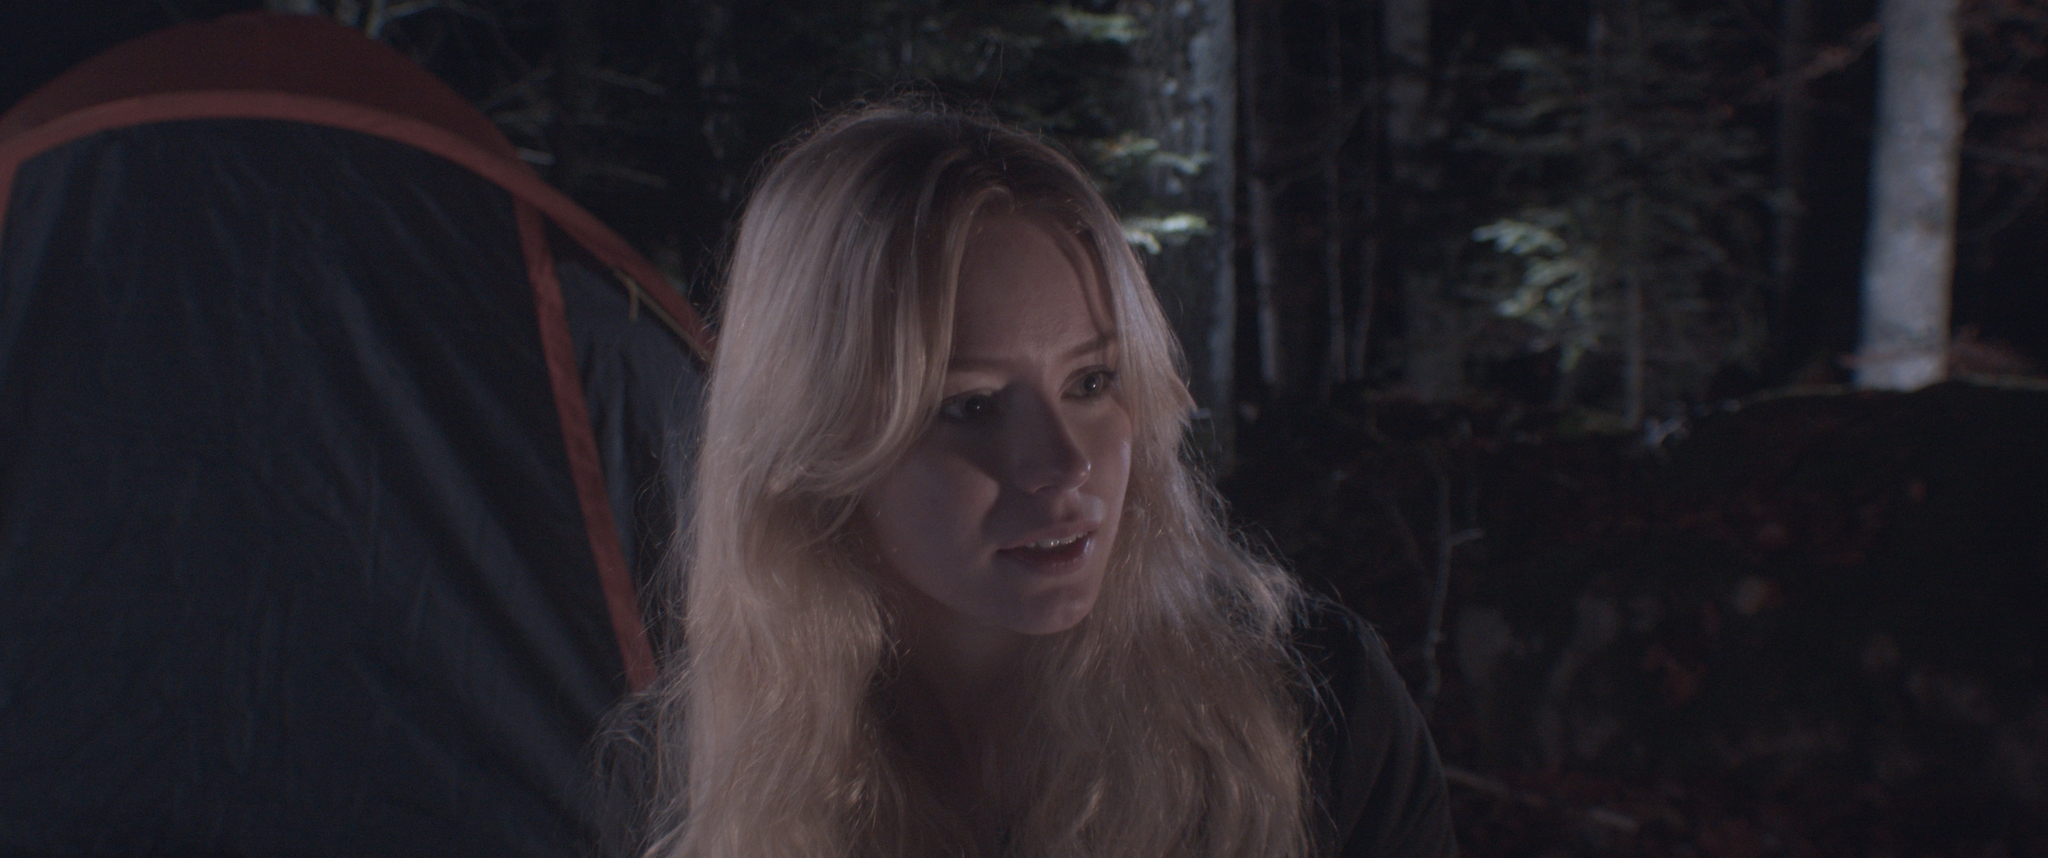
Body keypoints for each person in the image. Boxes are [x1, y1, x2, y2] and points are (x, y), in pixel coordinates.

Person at [598, 104, 1456, 858]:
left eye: (1091, 382)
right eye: (969, 406)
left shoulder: (1316, 711)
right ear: (814, 448)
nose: (1065, 466)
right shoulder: (706, 788)